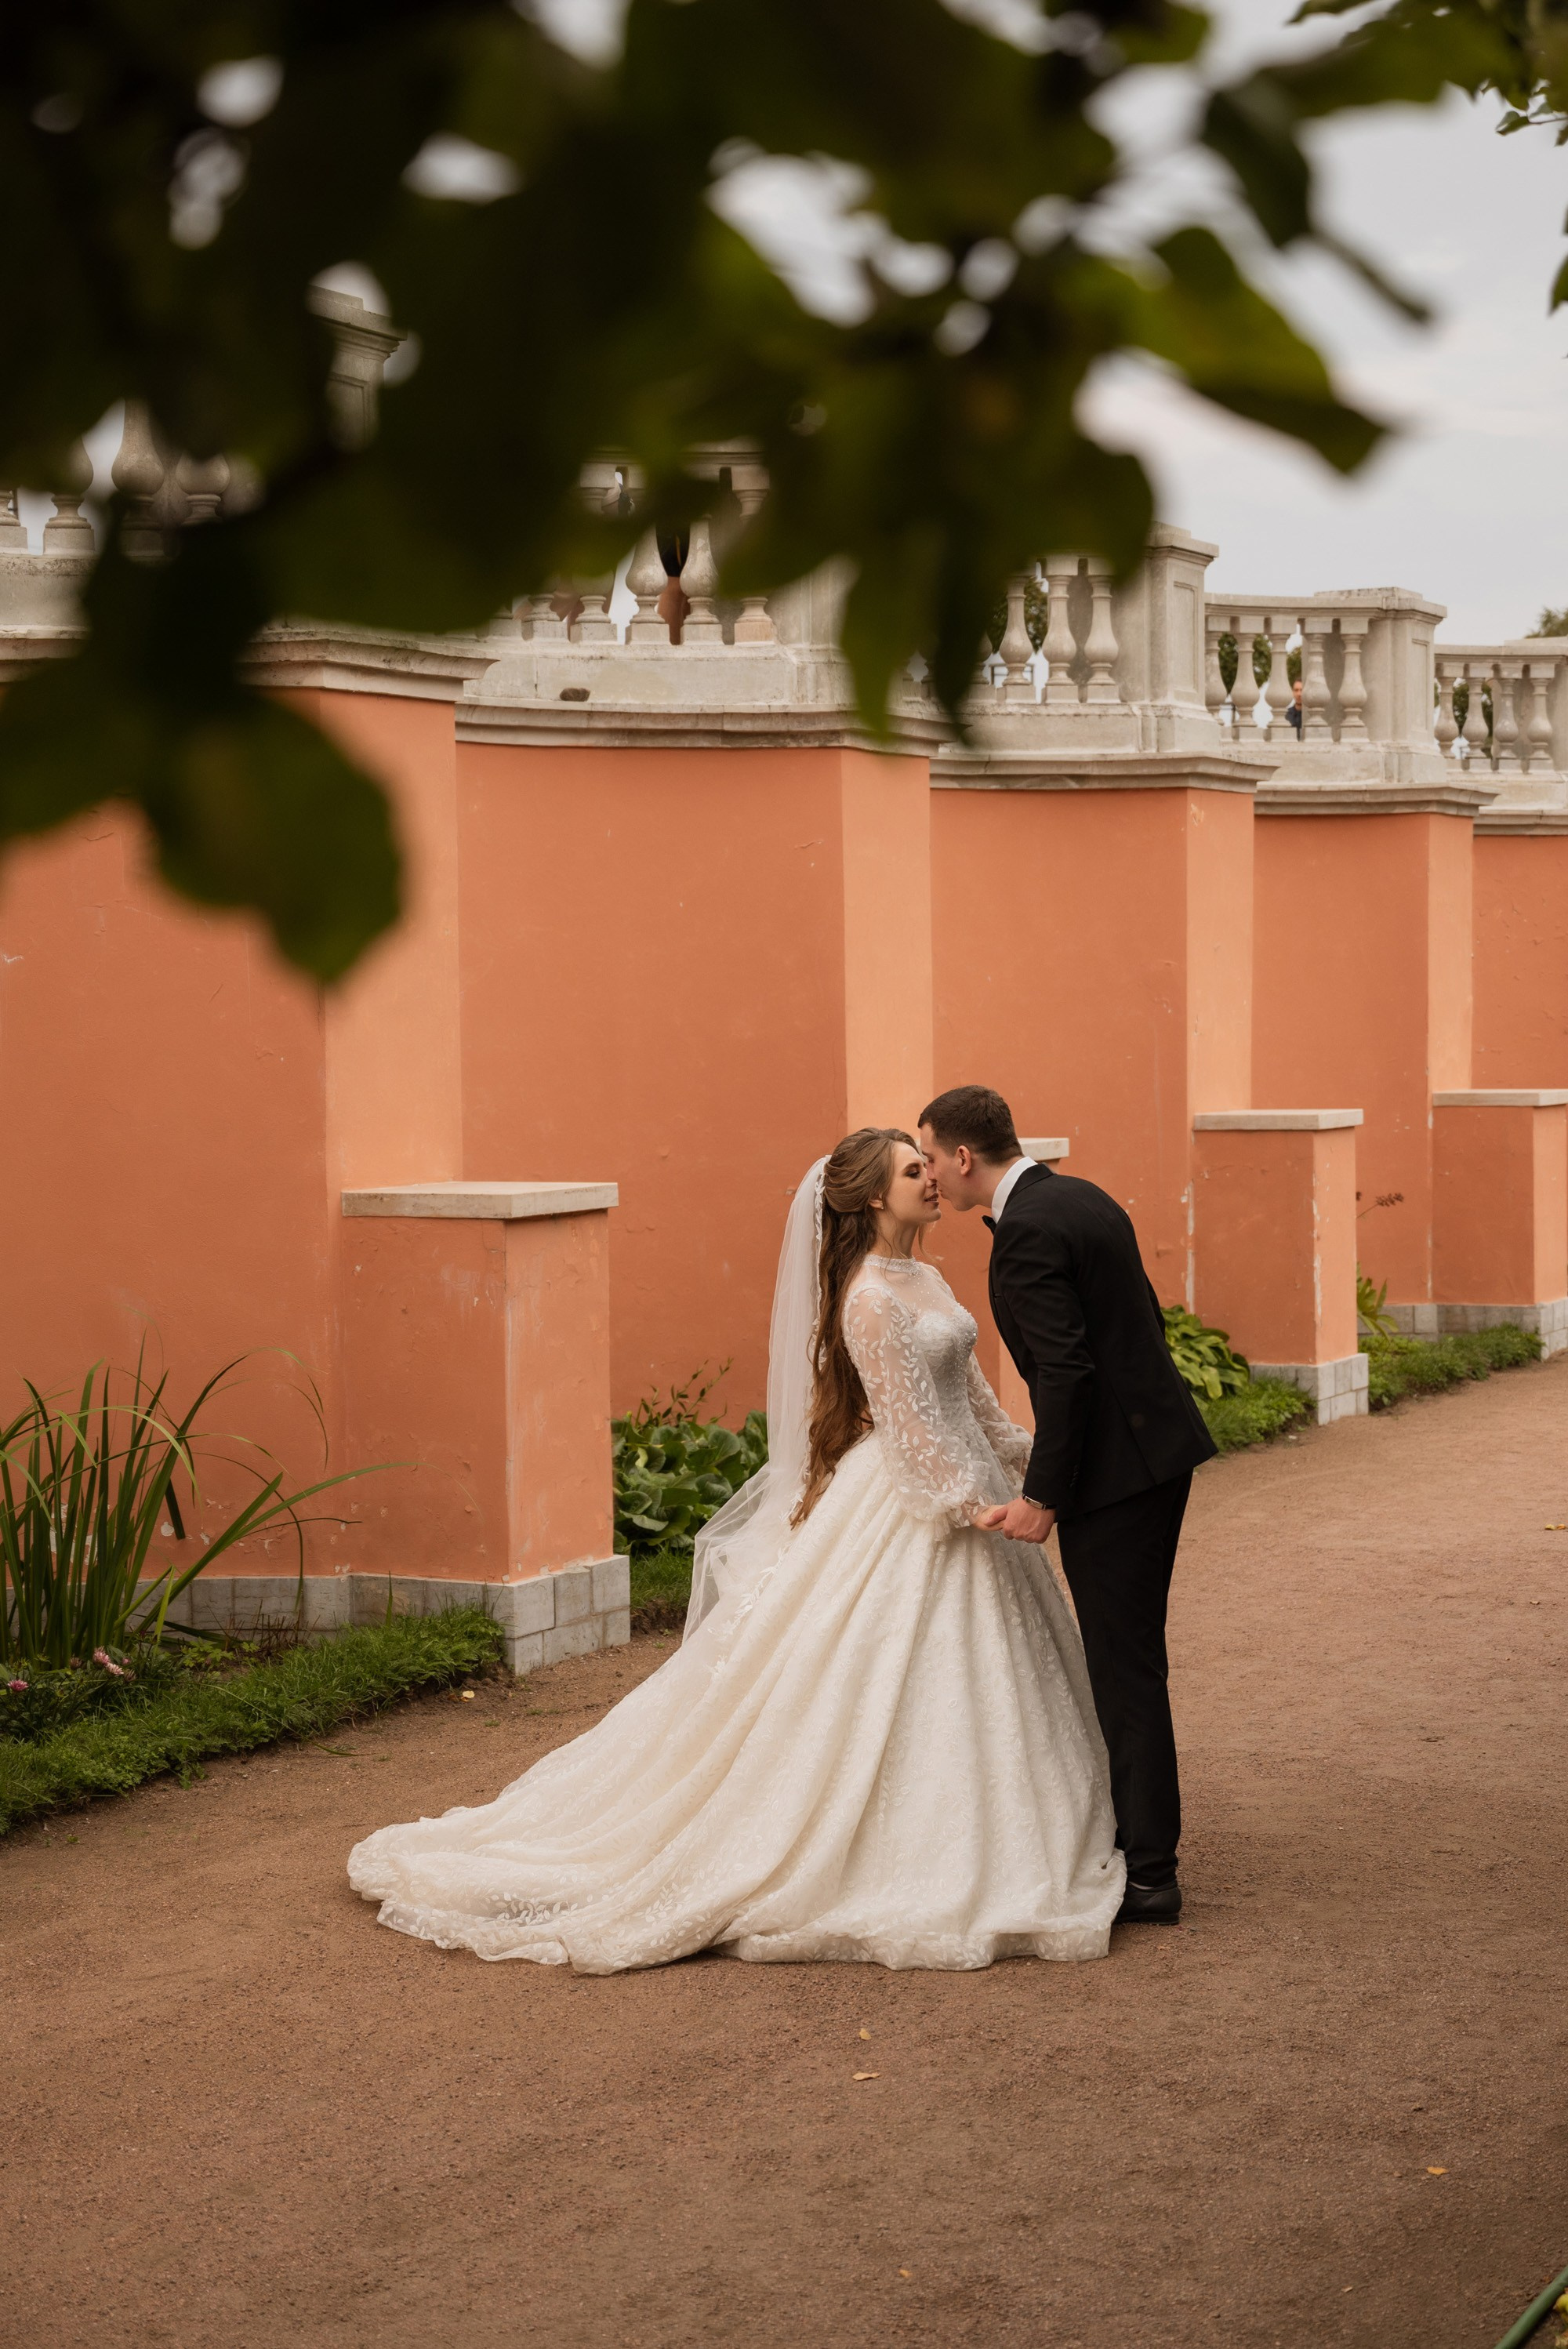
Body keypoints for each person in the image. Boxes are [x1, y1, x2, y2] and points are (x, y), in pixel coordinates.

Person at [349, 1128, 1124, 1971]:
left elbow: (970, 1400)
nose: (931, 1180)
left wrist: (1036, 1465)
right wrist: (973, 1508)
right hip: (916, 1502)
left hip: (971, 1490)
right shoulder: (867, 1297)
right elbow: (906, 1431)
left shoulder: (928, 1276)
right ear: (871, 1196)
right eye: (912, 1172)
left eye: (925, 1166)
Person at [917, 1087, 1216, 1923]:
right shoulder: (1077, 1196)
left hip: (1116, 1474)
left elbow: (1067, 1370)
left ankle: (1150, 1872)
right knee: (1129, 1658)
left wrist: (1042, 1491)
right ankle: (1137, 1844)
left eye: (932, 1155)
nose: (932, 1173)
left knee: (1124, 1664)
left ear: (963, 1157)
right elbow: (1136, 1327)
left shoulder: (1026, 1230)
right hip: (1151, 1452)